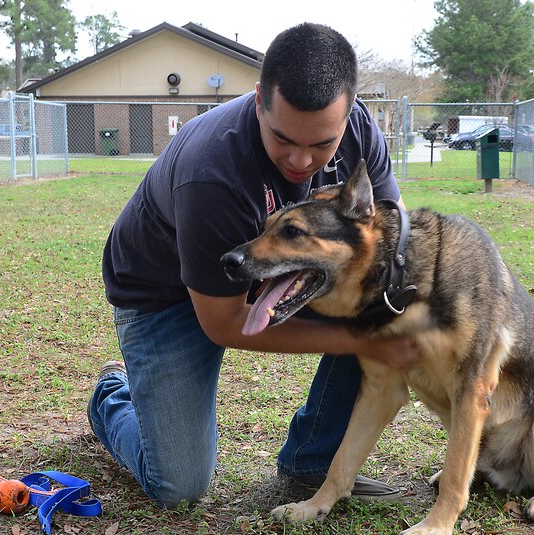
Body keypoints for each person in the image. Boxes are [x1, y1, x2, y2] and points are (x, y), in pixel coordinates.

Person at [90, 22, 419, 508]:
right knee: (178, 486)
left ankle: (312, 462)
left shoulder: (360, 133)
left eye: (323, 144)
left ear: (350, 111)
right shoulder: (212, 172)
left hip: (273, 269)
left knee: (380, 298)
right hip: (164, 295)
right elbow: (226, 323)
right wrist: (358, 339)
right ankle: (110, 398)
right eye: (283, 138)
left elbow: (389, 248)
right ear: (259, 97)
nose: (302, 160)